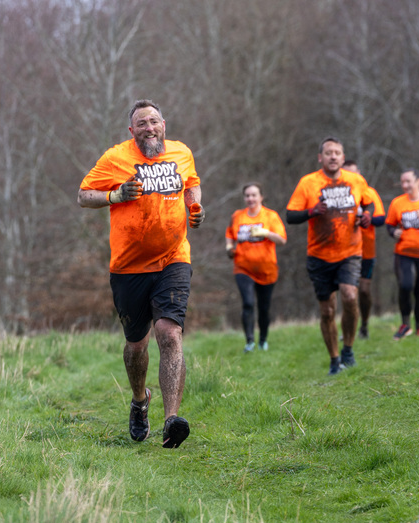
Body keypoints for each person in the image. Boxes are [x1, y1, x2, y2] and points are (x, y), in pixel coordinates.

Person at [78, 99, 205, 449]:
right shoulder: (115, 158)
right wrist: (116, 194)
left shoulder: (181, 153)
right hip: (129, 266)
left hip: (173, 258)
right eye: (141, 123)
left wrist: (195, 207)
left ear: (164, 123)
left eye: (154, 121)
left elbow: (192, 183)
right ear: (131, 131)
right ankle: (139, 401)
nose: (149, 127)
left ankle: (171, 420)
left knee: (169, 332)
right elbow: (83, 194)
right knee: (136, 345)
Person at [286, 138, 374, 375]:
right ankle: (335, 360)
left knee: (349, 295)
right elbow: (290, 215)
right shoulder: (308, 183)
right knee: (327, 311)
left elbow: (370, 203)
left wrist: (367, 215)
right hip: (319, 255)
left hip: (350, 252)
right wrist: (311, 211)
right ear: (320, 158)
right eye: (328, 153)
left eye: (337, 153)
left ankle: (348, 349)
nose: (333, 156)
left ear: (343, 158)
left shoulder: (355, 180)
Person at [225, 182, 287, 353]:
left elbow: (282, 240)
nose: (250, 198)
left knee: (264, 307)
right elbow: (230, 234)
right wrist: (229, 248)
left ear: (261, 197)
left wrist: (265, 233)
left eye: (254, 195)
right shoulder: (237, 216)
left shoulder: (270, 216)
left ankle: (263, 340)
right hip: (243, 267)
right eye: (247, 195)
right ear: (244, 198)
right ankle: (250, 342)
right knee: (248, 303)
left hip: (267, 269)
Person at [385, 169, 419, 339]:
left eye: (408, 181)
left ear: (418, 181)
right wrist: (393, 232)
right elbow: (389, 225)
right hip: (404, 253)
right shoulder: (397, 203)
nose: (405, 185)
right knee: (405, 285)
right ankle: (405, 324)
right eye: (402, 182)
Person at [342, 160, 385, 339]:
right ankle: (348, 329)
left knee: (364, 291)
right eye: (348, 174)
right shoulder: (340, 196)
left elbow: (381, 218)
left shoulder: (369, 192)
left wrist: (367, 219)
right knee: (347, 291)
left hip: (366, 248)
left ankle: (365, 324)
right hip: (344, 249)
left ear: (359, 173)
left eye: (354, 173)